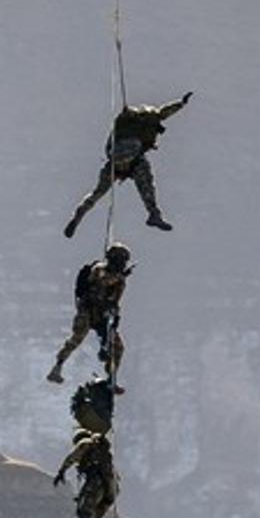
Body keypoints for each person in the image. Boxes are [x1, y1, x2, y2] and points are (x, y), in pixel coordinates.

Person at [63, 92, 192, 238]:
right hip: (130, 160)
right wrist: (181, 104)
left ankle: (78, 216)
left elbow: (164, 112)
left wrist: (181, 103)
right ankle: (154, 214)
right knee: (146, 186)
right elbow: (163, 112)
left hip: (116, 163)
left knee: (97, 193)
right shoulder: (142, 122)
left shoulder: (126, 124)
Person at [46, 244, 132, 385]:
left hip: (103, 315)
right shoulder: (99, 269)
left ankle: (111, 377)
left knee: (117, 346)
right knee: (77, 338)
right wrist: (120, 277)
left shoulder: (119, 279)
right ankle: (57, 367)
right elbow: (102, 282)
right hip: (87, 310)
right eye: (121, 261)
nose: (122, 264)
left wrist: (114, 316)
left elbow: (115, 300)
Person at [52, 423, 119, 518]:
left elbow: (71, 457)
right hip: (111, 488)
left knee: (84, 510)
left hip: (96, 482)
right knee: (93, 516)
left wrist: (61, 472)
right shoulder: (103, 452)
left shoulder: (85, 443)